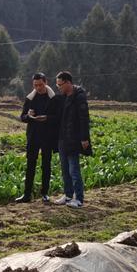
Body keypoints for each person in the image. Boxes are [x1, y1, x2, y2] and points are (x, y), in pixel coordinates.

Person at [16, 72, 59, 203]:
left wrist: (47, 118)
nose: (38, 88)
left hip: (47, 136)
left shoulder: (54, 99)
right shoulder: (30, 99)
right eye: (35, 85)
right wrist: (28, 116)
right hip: (33, 136)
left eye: (40, 85)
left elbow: (58, 117)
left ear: (46, 83)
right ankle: (27, 194)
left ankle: (44, 194)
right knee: (30, 165)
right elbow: (22, 117)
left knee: (46, 165)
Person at [53, 71, 90, 208]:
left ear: (68, 82)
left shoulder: (79, 97)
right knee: (64, 169)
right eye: (57, 85)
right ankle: (68, 195)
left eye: (60, 85)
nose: (59, 87)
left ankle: (79, 199)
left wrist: (84, 138)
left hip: (74, 138)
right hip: (63, 137)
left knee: (74, 170)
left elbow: (84, 118)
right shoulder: (62, 97)